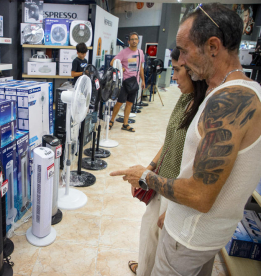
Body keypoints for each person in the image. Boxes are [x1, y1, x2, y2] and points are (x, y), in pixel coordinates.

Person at [111, 3, 261, 275]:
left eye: (184, 49)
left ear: (213, 46)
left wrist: (144, 176)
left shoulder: (229, 102)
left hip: (188, 239)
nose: (180, 58)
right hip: (202, 235)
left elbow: (199, 194)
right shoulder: (234, 92)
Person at [128, 48, 207, 275]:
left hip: (178, 191)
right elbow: (170, 139)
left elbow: (197, 169)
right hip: (161, 180)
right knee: (149, 229)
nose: (173, 76)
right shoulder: (184, 98)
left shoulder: (205, 110)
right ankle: (144, 268)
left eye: (177, 70)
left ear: (192, 70)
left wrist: (174, 210)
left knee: (164, 241)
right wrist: (150, 168)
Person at [109, 32, 145, 132]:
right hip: (125, 82)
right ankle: (112, 120)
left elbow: (140, 67)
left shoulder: (140, 52)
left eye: (136, 39)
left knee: (129, 103)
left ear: (138, 41)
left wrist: (143, 80)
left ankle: (125, 124)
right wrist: (121, 69)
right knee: (120, 102)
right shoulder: (124, 52)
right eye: (132, 39)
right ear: (128, 41)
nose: (134, 41)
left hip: (135, 82)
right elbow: (112, 62)